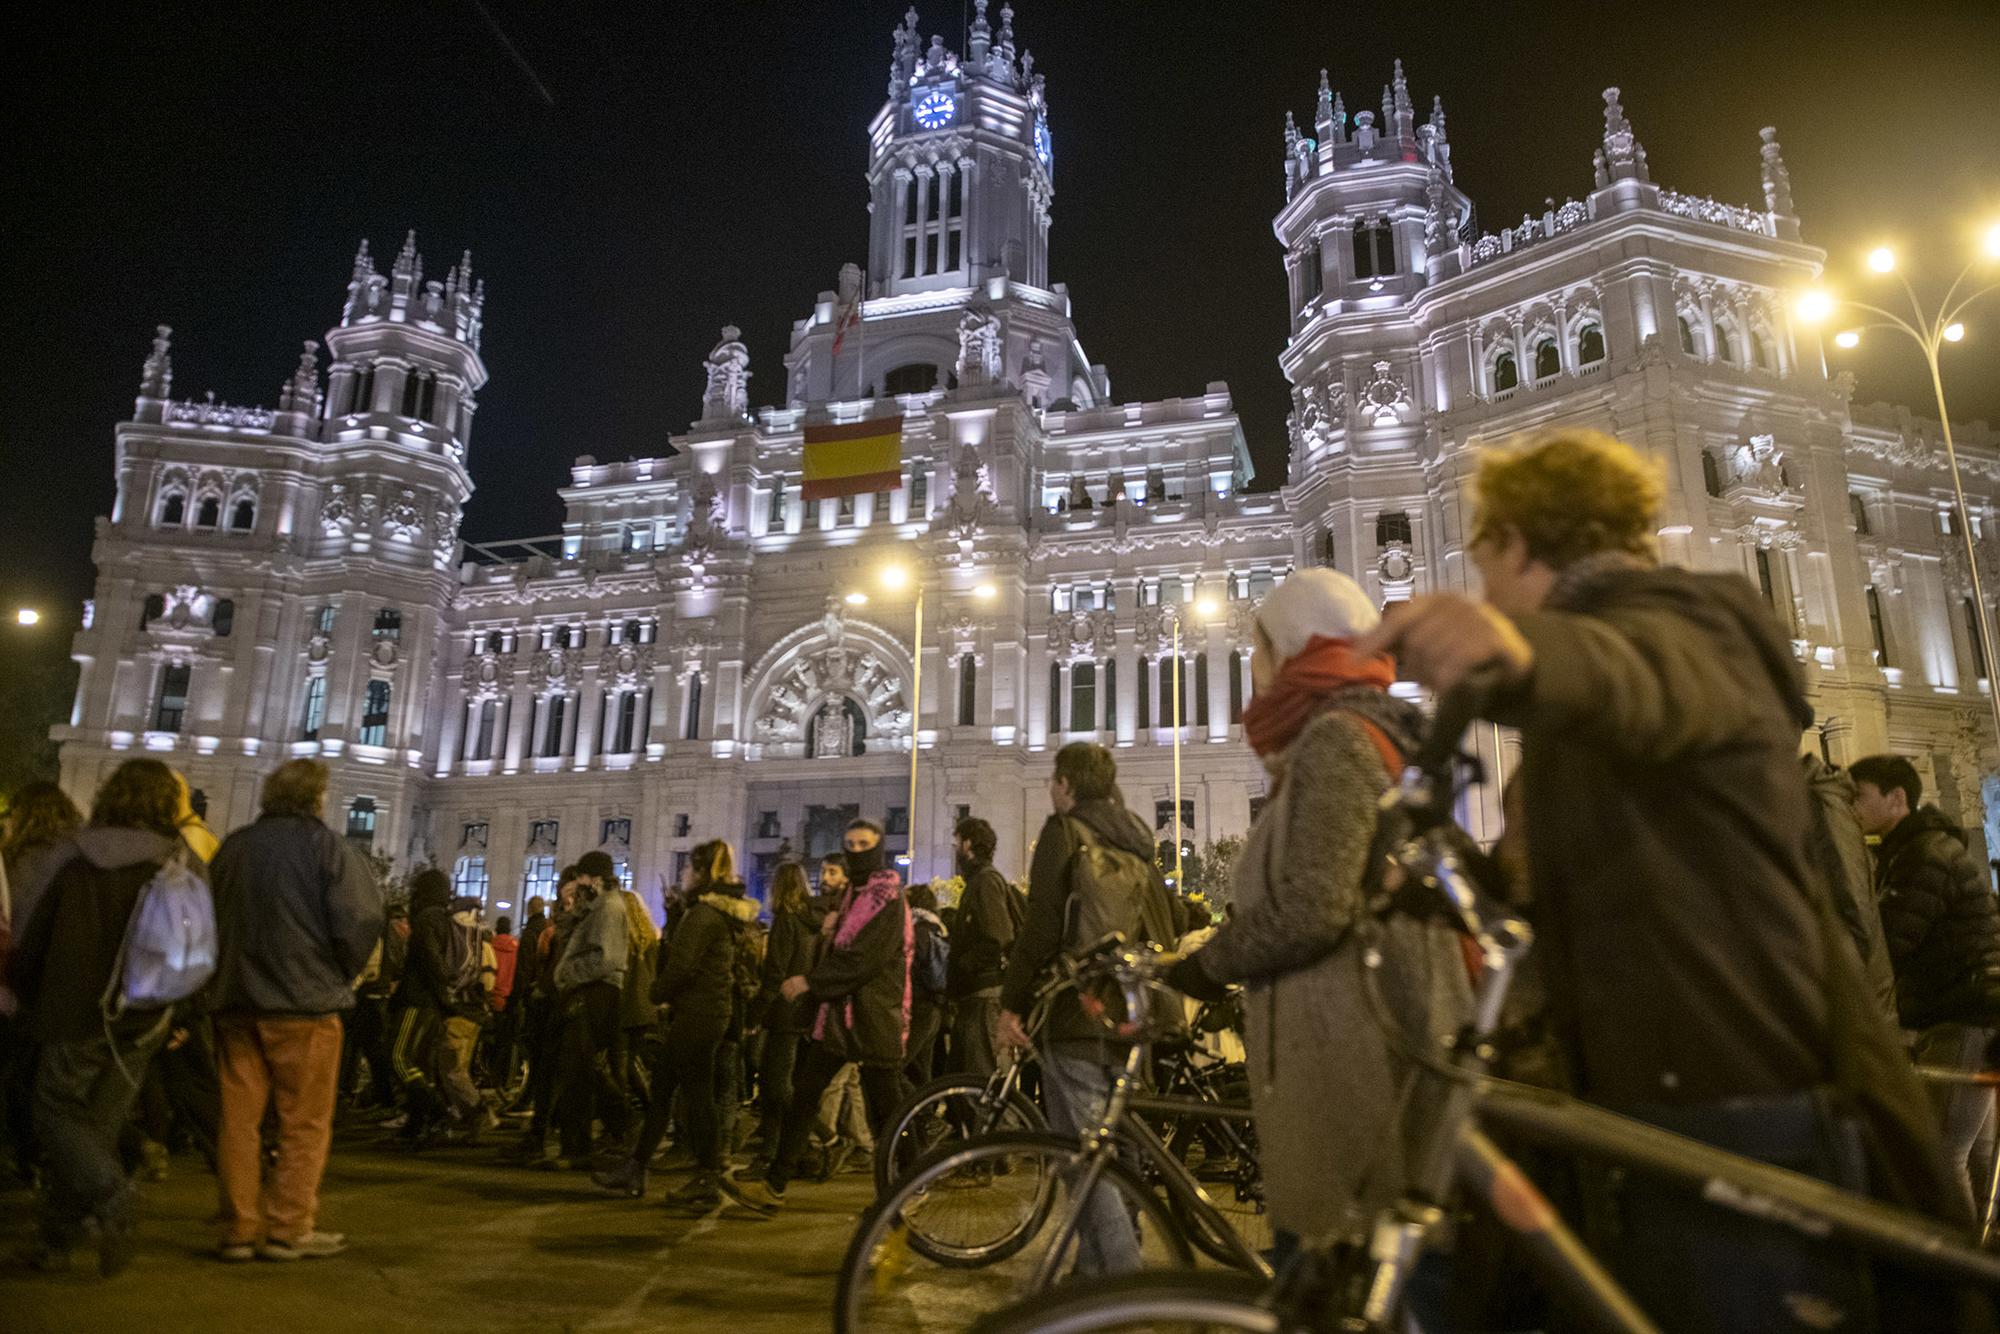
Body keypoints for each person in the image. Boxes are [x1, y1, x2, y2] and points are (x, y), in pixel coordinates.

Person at [1355, 429, 1962, 1328]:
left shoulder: (1695, 621)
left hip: (1732, 1086)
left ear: (1521, 543)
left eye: (1489, 568)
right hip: (1645, 1078)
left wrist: (1523, 654)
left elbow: (1648, 677)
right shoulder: (1595, 683)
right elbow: (1620, 860)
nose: (1488, 594)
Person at [1161, 569, 1472, 1255]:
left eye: (1261, 648)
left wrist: (1203, 968)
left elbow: (1313, 905)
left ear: (1294, 648)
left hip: (1357, 1058)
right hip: (1366, 1039)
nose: (1255, 668)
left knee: (1355, 1265)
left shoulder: (1338, 738)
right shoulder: (1361, 730)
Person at [10, 759, 199, 1275]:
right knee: (93, 1129)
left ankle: (112, 1194)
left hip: (72, 1007)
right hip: (144, 1017)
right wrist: (183, 1013)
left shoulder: (75, 855)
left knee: (53, 1114)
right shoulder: (179, 860)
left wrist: (29, 993)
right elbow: (201, 942)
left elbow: (31, 933)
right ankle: (54, 1242)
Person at [996, 743, 1176, 1276]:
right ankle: (1089, 1281)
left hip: (1077, 1012)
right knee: (1116, 1156)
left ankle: (1121, 1277)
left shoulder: (1065, 831)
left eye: (1055, 780)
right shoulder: (1137, 838)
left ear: (1067, 784)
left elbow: (1041, 928)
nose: (1052, 789)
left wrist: (1012, 1004)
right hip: (1131, 1014)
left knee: (1081, 1162)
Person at [207, 758, 383, 1262]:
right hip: (304, 1007)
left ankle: (238, 1228)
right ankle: (288, 1227)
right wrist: (338, 972)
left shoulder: (234, 847)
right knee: (303, 1121)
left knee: (238, 1121)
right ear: (317, 798)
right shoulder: (326, 848)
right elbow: (361, 917)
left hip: (237, 1001)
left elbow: (204, 914)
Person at [721, 820, 910, 1216]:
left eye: (864, 844)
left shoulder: (884, 895)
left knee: (886, 1107)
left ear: (878, 849)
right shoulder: (852, 897)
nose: (857, 850)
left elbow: (865, 958)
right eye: (850, 844)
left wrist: (810, 982)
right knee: (806, 1094)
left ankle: (913, 1181)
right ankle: (775, 1184)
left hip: (873, 1013)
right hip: (841, 1015)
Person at [1850, 752, 2000, 1213]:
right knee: (1972, 1150)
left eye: (1859, 796)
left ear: (1897, 798)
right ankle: (1982, 1254)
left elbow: (1891, 940)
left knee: (1942, 1149)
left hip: (1962, 1012)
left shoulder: (1922, 854)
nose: (1852, 807)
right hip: (1972, 1008)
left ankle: (1957, 1267)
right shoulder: (1917, 849)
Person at [596, 839, 756, 1209]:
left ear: (701, 874)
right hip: (705, 1013)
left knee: (697, 1098)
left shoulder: (703, 916)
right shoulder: (712, 914)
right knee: (665, 1091)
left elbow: (681, 965)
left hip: (699, 1015)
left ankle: (708, 1175)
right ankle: (637, 1167)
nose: (683, 873)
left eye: (688, 868)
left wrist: (657, 992)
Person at [1, 783, 83, 1184]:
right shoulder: (79, 860)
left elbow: (11, 924)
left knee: (18, 1077)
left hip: (19, 982)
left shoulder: (20, 863)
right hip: (66, 986)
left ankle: (27, 1156)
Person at [547, 851, 630, 1169]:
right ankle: (594, 1134)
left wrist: (568, 975)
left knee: (578, 1069)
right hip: (593, 991)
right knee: (580, 1068)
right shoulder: (598, 906)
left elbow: (605, 958)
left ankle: (579, 1146)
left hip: (594, 993)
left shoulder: (608, 908)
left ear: (594, 878)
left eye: (581, 878)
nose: (577, 885)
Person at [386, 869, 467, 1146]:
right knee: (419, 1063)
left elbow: (430, 960)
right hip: (432, 1002)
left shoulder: (425, 919)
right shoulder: (443, 919)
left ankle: (436, 1112)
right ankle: (418, 1123)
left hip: (418, 999)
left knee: (398, 1057)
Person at [749, 862, 816, 1166]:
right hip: (804, 1009)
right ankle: (779, 1149)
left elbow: (775, 972)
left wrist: (756, 1013)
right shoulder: (811, 923)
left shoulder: (786, 923)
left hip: (784, 1011)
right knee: (781, 1080)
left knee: (775, 1083)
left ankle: (807, 1142)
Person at [946, 816, 1017, 1080]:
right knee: (957, 1080)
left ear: (968, 844)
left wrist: (966, 966)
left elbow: (998, 936)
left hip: (982, 995)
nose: (955, 850)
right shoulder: (979, 881)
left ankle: (998, 1123)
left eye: (957, 843)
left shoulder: (985, 881)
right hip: (974, 995)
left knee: (980, 1078)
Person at [904, 882, 949, 1086]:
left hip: (920, 1004)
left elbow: (913, 966)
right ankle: (925, 1113)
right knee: (922, 1066)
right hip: (935, 1005)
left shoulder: (918, 930)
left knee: (899, 1065)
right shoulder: (937, 928)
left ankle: (916, 1113)